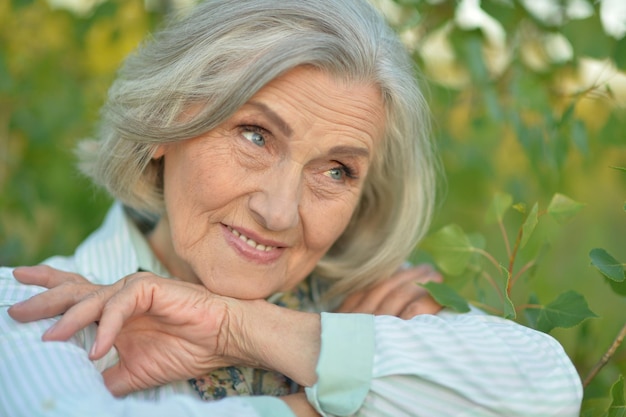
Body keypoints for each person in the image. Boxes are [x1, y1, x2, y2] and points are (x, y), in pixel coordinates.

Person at [0, 0, 582, 416]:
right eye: (255, 135)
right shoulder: (27, 310)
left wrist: (237, 327)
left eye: (336, 171)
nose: (280, 213)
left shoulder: (362, 314)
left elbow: (547, 392)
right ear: (163, 126)